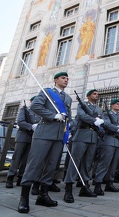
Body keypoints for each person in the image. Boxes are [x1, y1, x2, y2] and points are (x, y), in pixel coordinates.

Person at [18, 72, 73, 213]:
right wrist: (53, 115)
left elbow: (69, 117)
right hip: (44, 133)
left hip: (59, 136)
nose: (66, 80)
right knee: (34, 165)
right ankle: (24, 198)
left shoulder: (68, 98)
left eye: (67, 78)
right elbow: (35, 106)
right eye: (63, 78)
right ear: (55, 80)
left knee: (51, 166)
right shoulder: (47, 92)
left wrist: (69, 129)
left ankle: (43, 195)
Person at [63, 89, 104, 203]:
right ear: (88, 96)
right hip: (82, 135)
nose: (97, 95)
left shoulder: (99, 109)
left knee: (87, 163)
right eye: (94, 94)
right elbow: (81, 116)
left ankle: (84, 186)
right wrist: (94, 120)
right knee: (75, 162)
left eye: (97, 94)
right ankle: (68, 188)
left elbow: (102, 121)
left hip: (93, 137)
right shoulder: (83, 105)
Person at [6, 97, 41, 188]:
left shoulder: (39, 113)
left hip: (32, 138)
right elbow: (20, 122)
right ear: (31, 102)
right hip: (23, 136)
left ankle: (20, 177)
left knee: (26, 160)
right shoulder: (24, 110)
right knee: (16, 158)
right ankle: (10, 177)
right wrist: (31, 126)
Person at [93, 99, 119, 195]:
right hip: (109, 140)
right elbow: (106, 124)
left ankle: (109, 183)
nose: (118, 105)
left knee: (114, 165)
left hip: (117, 141)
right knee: (104, 163)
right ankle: (97, 184)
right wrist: (117, 128)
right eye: (116, 104)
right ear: (111, 105)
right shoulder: (106, 114)